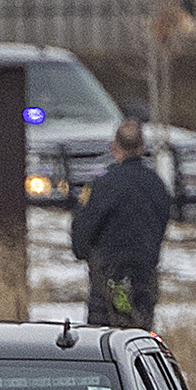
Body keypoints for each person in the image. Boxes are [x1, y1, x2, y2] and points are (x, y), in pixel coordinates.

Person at [69, 117, 172, 330]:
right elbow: (162, 225)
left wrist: (85, 253)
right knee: (139, 337)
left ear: (114, 148)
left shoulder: (103, 185)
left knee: (103, 339)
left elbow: (82, 233)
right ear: (143, 148)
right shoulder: (157, 185)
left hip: (107, 277)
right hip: (144, 275)